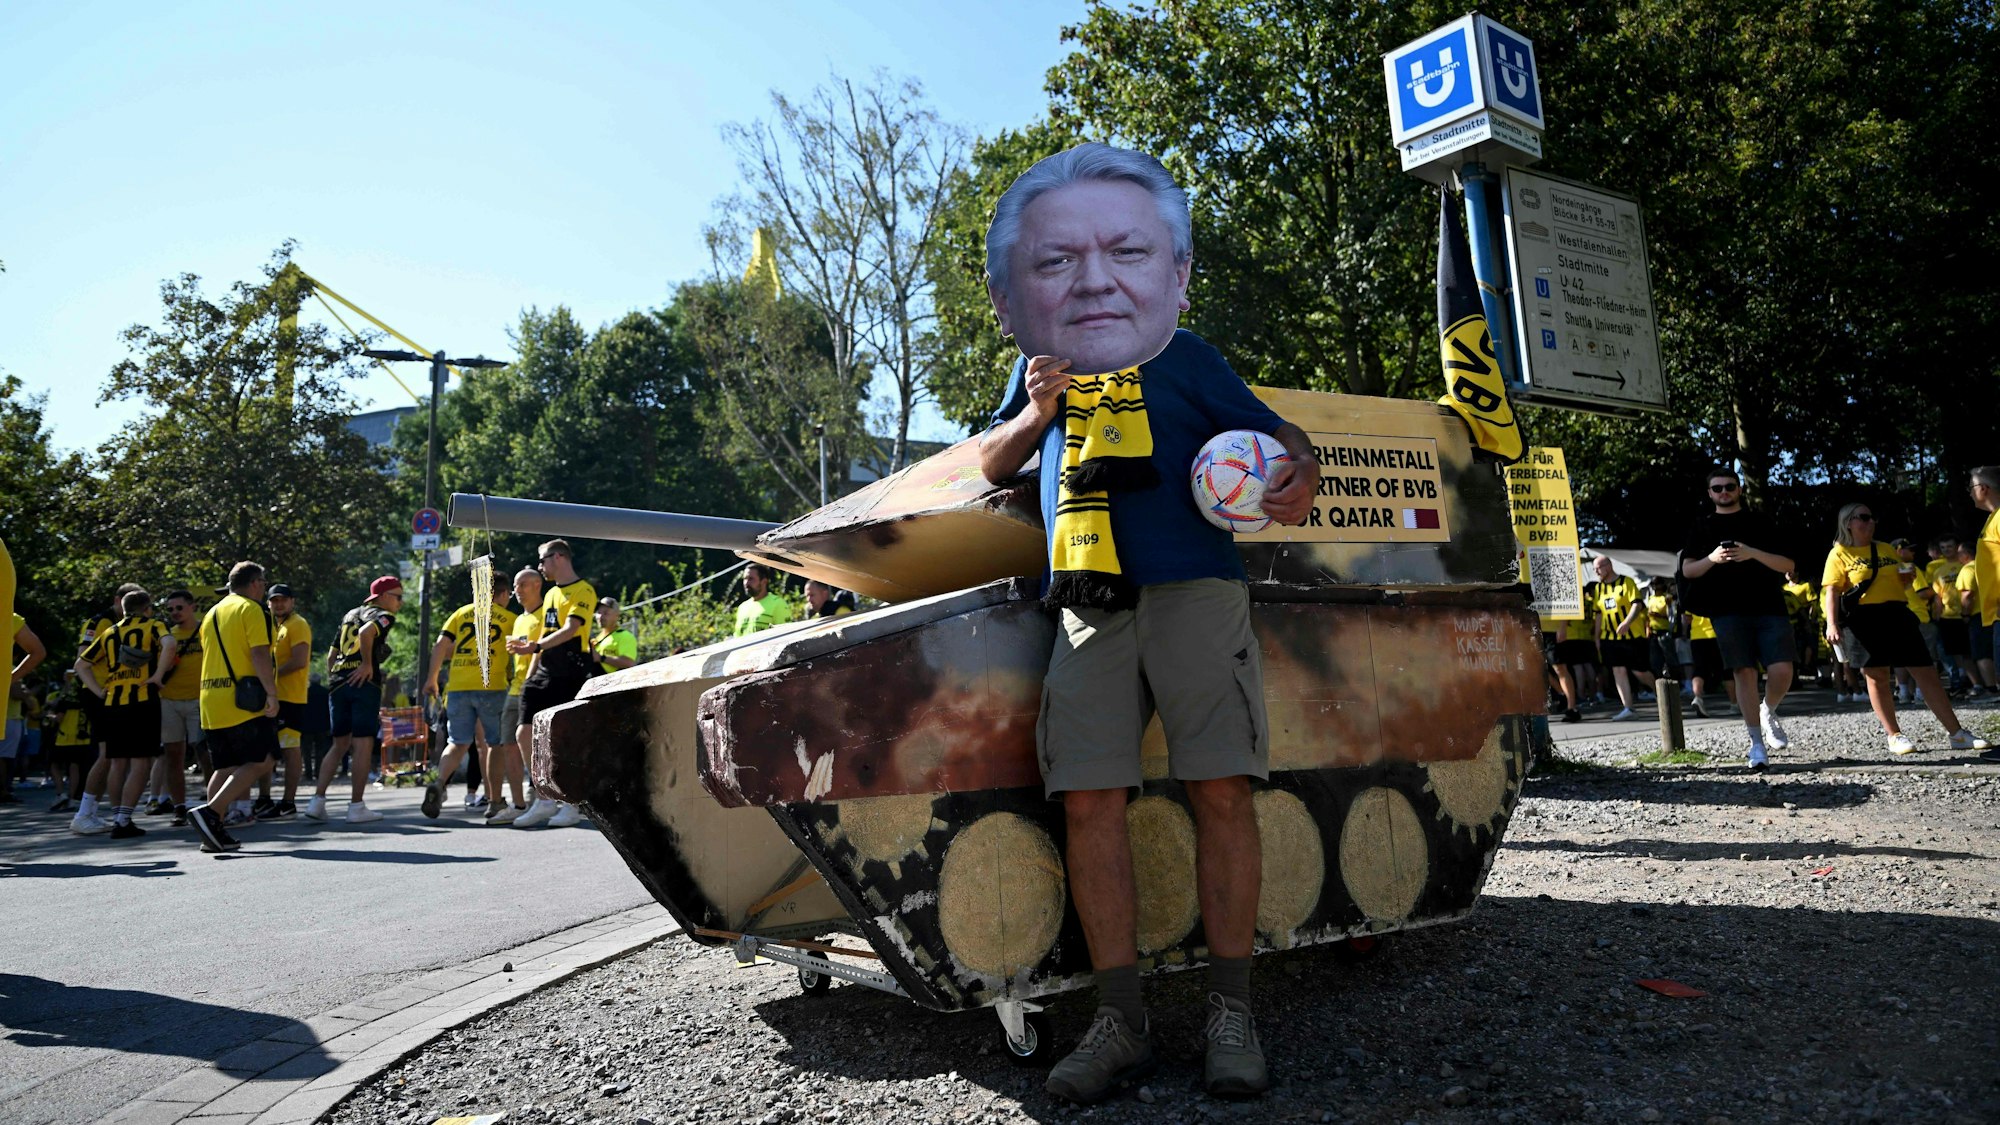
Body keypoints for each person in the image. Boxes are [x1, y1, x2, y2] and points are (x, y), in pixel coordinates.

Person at [978, 143, 1318, 1102]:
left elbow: (1283, 439)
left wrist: (1303, 473)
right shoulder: (1038, 369)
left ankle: (1232, 1015)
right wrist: (1036, 411)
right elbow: (995, 466)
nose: (1094, 281)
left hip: (1195, 592)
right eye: (1058, 261)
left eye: (1126, 253)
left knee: (1219, 790)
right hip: (1088, 608)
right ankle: (1119, 1023)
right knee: (1089, 801)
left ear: (1171, 276)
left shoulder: (1187, 357)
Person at [1821, 503, 1988, 758]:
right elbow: (1832, 590)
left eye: (1872, 517)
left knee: (1926, 672)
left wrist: (1906, 579)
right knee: (1877, 676)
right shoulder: (1839, 553)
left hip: (1898, 613)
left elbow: (1901, 578)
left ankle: (1957, 734)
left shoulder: (1885, 548)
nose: (1870, 522)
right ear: (1848, 523)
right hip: (1864, 618)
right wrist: (1832, 624)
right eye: (1863, 517)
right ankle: (1894, 735)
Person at [1677, 466, 1798, 768]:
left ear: (1739, 488)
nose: (1723, 493)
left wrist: (1752, 553)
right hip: (1726, 611)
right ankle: (1756, 743)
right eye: (1717, 488)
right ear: (1709, 493)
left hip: (1769, 606)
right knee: (1744, 673)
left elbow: (1788, 562)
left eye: (1729, 486)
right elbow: (1687, 570)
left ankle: (1767, 709)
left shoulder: (1760, 521)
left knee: (1782, 669)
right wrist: (1713, 558)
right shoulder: (1701, 526)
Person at [184, 563, 282, 853]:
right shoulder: (251, 609)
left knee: (225, 766)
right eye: (263, 583)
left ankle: (212, 832)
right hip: (243, 698)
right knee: (263, 759)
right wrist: (272, 693)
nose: (264, 588)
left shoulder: (212, 613)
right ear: (254, 583)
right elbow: (259, 652)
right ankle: (212, 813)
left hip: (210, 697)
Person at [506, 540, 596, 829]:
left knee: (564, 735)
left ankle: (571, 803)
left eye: (543, 560)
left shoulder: (583, 590)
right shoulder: (552, 594)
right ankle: (543, 798)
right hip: (544, 668)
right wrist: (531, 674)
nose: (541, 567)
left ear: (558, 557)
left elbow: (572, 629)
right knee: (524, 731)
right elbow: (544, 637)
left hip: (571, 667)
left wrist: (534, 648)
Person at [74, 589, 173, 839]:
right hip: (142, 699)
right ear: (147, 608)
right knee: (140, 761)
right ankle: (123, 819)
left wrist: (99, 692)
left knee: (117, 762)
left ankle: (118, 814)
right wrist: (158, 675)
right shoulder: (154, 625)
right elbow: (170, 644)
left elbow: (81, 665)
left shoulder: (110, 631)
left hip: (113, 702)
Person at [420, 569, 517, 821]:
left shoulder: (461, 613)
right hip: (491, 686)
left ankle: (440, 783)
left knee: (458, 741)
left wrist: (431, 678)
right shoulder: (509, 618)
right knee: (494, 743)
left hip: (458, 686)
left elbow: (440, 645)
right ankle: (494, 801)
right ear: (503, 593)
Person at [308, 576, 401, 823]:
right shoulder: (383, 615)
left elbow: (332, 654)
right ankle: (356, 806)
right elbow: (366, 632)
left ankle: (317, 801)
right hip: (363, 683)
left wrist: (338, 676)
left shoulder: (351, 613)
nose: (400, 603)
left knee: (339, 744)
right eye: (397, 596)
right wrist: (368, 665)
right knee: (363, 743)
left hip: (338, 682)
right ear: (382, 597)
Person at [256, 583, 312, 821]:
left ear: (292, 601)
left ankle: (288, 802)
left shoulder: (297, 624)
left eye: (283, 600)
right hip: (272, 696)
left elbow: (299, 661)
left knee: (290, 750)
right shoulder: (272, 626)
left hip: (290, 699)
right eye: (274, 600)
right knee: (266, 749)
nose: (278, 604)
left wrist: (269, 676)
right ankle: (264, 798)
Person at [492, 566, 543, 825]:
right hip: (514, 688)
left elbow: (540, 651)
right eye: (515, 586)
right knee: (508, 744)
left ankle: (541, 792)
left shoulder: (546, 614)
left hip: (536, 687)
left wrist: (530, 678)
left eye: (522, 585)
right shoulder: (518, 619)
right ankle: (518, 804)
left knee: (535, 741)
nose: (516, 591)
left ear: (537, 585)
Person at [155, 589, 205, 825]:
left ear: (192, 606)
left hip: (200, 699)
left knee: (205, 752)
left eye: (179, 607)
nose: (174, 612)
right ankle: (179, 807)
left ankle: (214, 803)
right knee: (173, 755)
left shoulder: (206, 631)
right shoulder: (166, 637)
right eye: (170, 609)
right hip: (170, 701)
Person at [1588, 556, 1651, 721]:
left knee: (1639, 672)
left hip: (1632, 635)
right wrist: (1596, 637)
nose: (1596, 572)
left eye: (1597, 568)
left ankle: (1662, 691)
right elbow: (1599, 614)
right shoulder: (1598, 589)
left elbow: (1637, 604)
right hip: (1609, 637)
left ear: (1607, 566)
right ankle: (1628, 707)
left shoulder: (1626, 582)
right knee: (1618, 670)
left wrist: (1627, 622)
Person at [1889, 540, 1941, 705]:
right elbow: (1922, 593)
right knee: (1923, 657)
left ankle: (1904, 692)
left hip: (1896, 617)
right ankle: (1921, 693)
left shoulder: (1886, 569)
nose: (1913, 553)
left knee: (1901, 658)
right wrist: (1937, 589)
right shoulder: (1909, 567)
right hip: (1918, 617)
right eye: (1909, 550)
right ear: (1898, 551)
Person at [5, 610, 47, 803]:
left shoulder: (9, 617)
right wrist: (11, 679)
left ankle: (4, 790)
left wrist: (11, 678)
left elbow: (38, 652)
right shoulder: (8, 616)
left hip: (9, 715)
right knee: (5, 757)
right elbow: (37, 652)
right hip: (8, 716)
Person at [44, 671, 93, 813]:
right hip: (82, 738)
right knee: (74, 767)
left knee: (54, 765)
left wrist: (49, 716)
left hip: (64, 738)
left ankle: (61, 793)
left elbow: (59, 718)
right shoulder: (87, 697)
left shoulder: (65, 699)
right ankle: (71, 798)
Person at [1928, 537, 1972, 691]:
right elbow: (1938, 595)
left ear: (1956, 548)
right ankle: (1962, 678)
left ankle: (1978, 680)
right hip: (1948, 615)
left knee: (1970, 650)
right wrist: (1937, 614)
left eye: (1949, 546)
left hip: (1968, 613)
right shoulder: (1939, 571)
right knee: (1955, 651)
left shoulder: (1965, 566)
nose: (1947, 550)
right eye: (1943, 547)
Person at [732, 564, 792, 636]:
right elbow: (737, 637)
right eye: (745, 578)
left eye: (751, 579)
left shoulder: (778, 604)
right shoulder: (742, 607)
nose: (746, 583)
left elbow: (786, 635)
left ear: (764, 582)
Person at [594, 597, 639, 673]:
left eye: (606, 613)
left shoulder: (625, 636)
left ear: (617, 616)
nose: (600, 616)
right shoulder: (597, 639)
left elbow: (629, 663)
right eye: (598, 612)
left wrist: (601, 658)